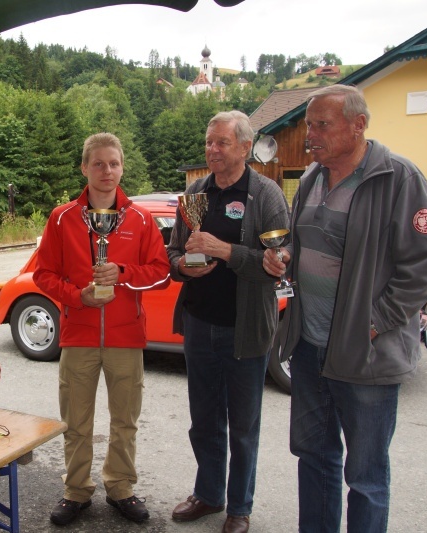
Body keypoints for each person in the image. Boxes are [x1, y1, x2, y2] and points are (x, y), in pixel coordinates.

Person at [263, 85, 427, 533]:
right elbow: (304, 244)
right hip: (309, 346)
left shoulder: (400, 179)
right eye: (309, 124)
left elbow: (421, 268)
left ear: (359, 125)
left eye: (322, 125)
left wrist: (373, 324)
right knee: (314, 457)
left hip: (365, 353)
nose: (310, 135)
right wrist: (284, 258)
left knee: (366, 475)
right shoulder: (312, 178)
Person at [33, 132, 169, 526]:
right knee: (76, 422)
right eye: (98, 163)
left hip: (126, 337)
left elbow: (161, 273)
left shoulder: (140, 219)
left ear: (122, 168)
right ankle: (76, 490)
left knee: (125, 422)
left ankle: (120, 487)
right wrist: (77, 297)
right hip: (78, 336)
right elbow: (43, 274)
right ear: (84, 168)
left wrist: (122, 273)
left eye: (113, 163)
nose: (106, 171)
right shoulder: (62, 217)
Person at [167, 111, 289, 533]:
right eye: (208, 142)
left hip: (245, 329)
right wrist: (183, 265)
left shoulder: (266, 195)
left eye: (221, 142)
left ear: (244, 147)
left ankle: (239, 506)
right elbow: (173, 252)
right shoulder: (194, 192)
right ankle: (208, 494)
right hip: (199, 323)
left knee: (243, 426)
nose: (212, 150)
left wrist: (225, 251)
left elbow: (277, 264)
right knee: (203, 420)